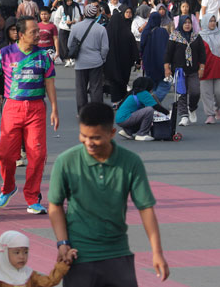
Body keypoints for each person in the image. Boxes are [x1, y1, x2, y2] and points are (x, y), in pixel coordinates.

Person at [48, 103, 169, 287]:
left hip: (117, 255)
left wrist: (157, 252)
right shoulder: (66, 162)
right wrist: (62, 242)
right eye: (84, 136)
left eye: (95, 138)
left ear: (112, 133)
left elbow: (145, 208)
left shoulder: (130, 162)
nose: (88, 142)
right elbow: (55, 205)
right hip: (79, 257)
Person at [0, 16, 59, 215]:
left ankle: (32, 198)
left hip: (36, 109)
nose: (38, 35)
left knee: (37, 155)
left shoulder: (43, 56)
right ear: (21, 34)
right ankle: (8, 187)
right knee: (5, 154)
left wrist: (55, 109)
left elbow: (49, 82)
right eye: (33, 32)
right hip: (12, 109)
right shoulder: (4, 54)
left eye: (38, 31)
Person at [0, 230, 74, 287]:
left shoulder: (29, 275)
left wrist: (63, 263)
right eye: (17, 252)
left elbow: (49, 281)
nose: (22, 256)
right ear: (4, 253)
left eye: (25, 252)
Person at [164, 15, 206, 126]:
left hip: (193, 71)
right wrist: (167, 68)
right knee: (181, 94)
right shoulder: (174, 36)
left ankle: (192, 108)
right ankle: (184, 116)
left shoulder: (196, 37)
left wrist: (202, 68)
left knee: (195, 92)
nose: (187, 24)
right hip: (179, 71)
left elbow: (202, 53)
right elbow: (168, 53)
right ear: (181, 23)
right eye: (185, 22)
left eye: (189, 22)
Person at [68, 4, 109, 114]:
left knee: (81, 89)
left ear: (84, 14)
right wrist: (102, 58)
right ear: (96, 14)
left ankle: (82, 112)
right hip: (96, 62)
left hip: (80, 63)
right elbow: (105, 48)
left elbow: (69, 45)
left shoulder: (76, 27)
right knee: (96, 88)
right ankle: (97, 112)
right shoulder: (101, 29)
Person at [115, 77, 170, 141]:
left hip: (121, 118)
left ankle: (128, 131)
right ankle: (142, 134)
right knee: (149, 110)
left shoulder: (133, 92)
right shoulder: (143, 93)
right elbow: (156, 106)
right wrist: (168, 113)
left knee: (144, 115)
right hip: (125, 118)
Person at [105, 10, 138, 105]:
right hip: (125, 64)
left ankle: (115, 101)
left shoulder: (107, 32)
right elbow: (134, 49)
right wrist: (136, 60)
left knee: (113, 82)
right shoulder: (127, 33)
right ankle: (123, 100)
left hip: (110, 63)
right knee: (123, 82)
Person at [52, 0, 82, 68]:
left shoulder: (75, 7)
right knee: (63, 44)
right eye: (67, 1)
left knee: (72, 44)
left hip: (72, 28)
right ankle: (67, 59)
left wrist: (73, 21)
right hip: (63, 28)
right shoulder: (61, 8)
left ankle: (72, 58)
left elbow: (78, 17)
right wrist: (61, 25)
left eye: (70, 0)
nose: (69, 2)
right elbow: (57, 18)